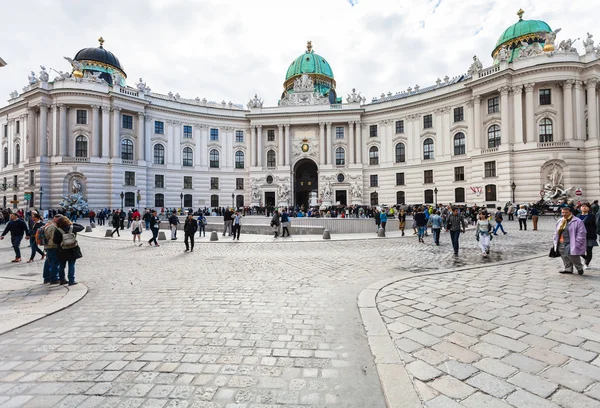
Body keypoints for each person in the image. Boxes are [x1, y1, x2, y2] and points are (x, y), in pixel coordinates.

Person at [554, 205, 587, 274]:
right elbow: (556, 231)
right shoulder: (560, 220)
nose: (564, 214)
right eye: (563, 212)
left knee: (572, 255)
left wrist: (578, 242)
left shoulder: (577, 221)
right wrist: (555, 240)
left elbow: (581, 233)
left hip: (572, 241)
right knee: (564, 255)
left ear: (570, 212)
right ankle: (568, 269)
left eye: (566, 212)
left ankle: (579, 267)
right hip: (561, 241)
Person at [53, 215, 84, 285]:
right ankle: (71, 280)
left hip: (62, 250)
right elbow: (82, 227)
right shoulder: (72, 228)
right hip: (73, 249)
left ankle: (62, 279)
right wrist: (72, 223)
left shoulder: (58, 230)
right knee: (71, 265)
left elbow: (55, 241)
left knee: (61, 265)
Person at [577, 203, 597, 269]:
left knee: (589, 249)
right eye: (582, 206)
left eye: (586, 206)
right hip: (579, 236)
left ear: (589, 208)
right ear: (580, 208)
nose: (584, 207)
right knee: (578, 249)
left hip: (590, 235)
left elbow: (595, 225)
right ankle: (586, 258)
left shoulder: (592, 216)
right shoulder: (577, 216)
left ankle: (586, 263)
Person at [42, 215, 62, 284]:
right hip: (54, 246)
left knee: (48, 262)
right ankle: (54, 279)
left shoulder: (48, 226)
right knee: (55, 263)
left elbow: (46, 236)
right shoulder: (56, 227)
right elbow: (55, 238)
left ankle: (46, 278)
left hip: (48, 246)